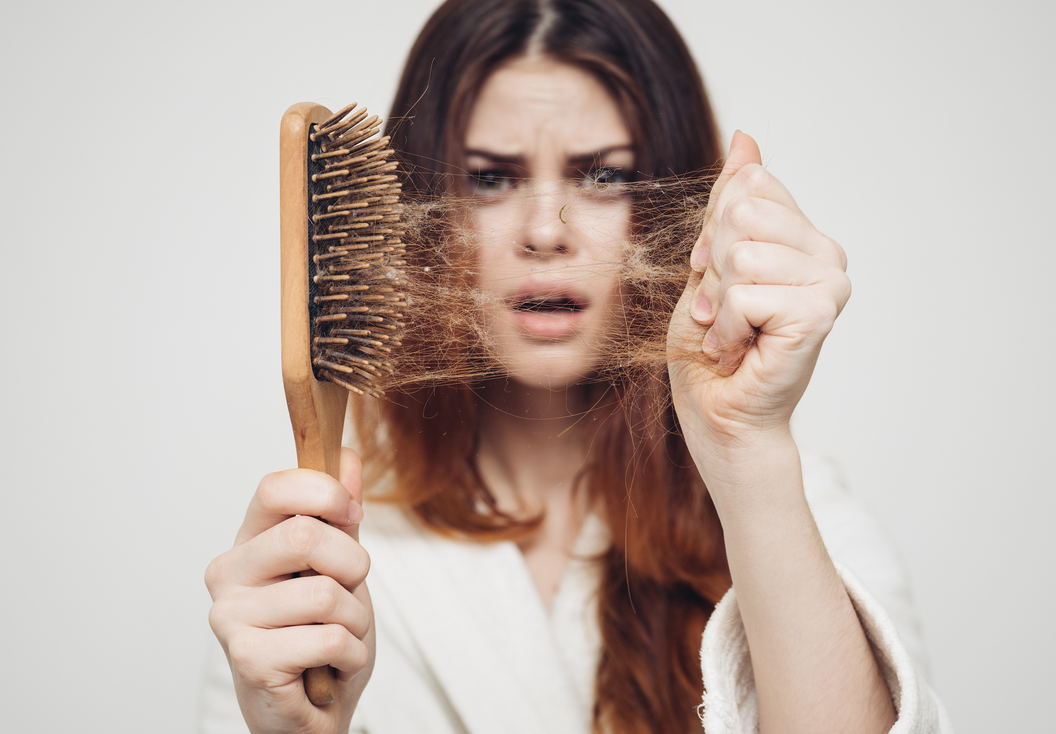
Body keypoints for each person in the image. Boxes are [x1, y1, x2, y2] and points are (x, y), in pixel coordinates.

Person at [202, 1, 952, 732]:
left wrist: (747, 454)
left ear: (676, 216)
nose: (544, 231)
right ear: (416, 209)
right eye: (492, 178)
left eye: (602, 176)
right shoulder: (312, 576)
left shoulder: (794, 515)